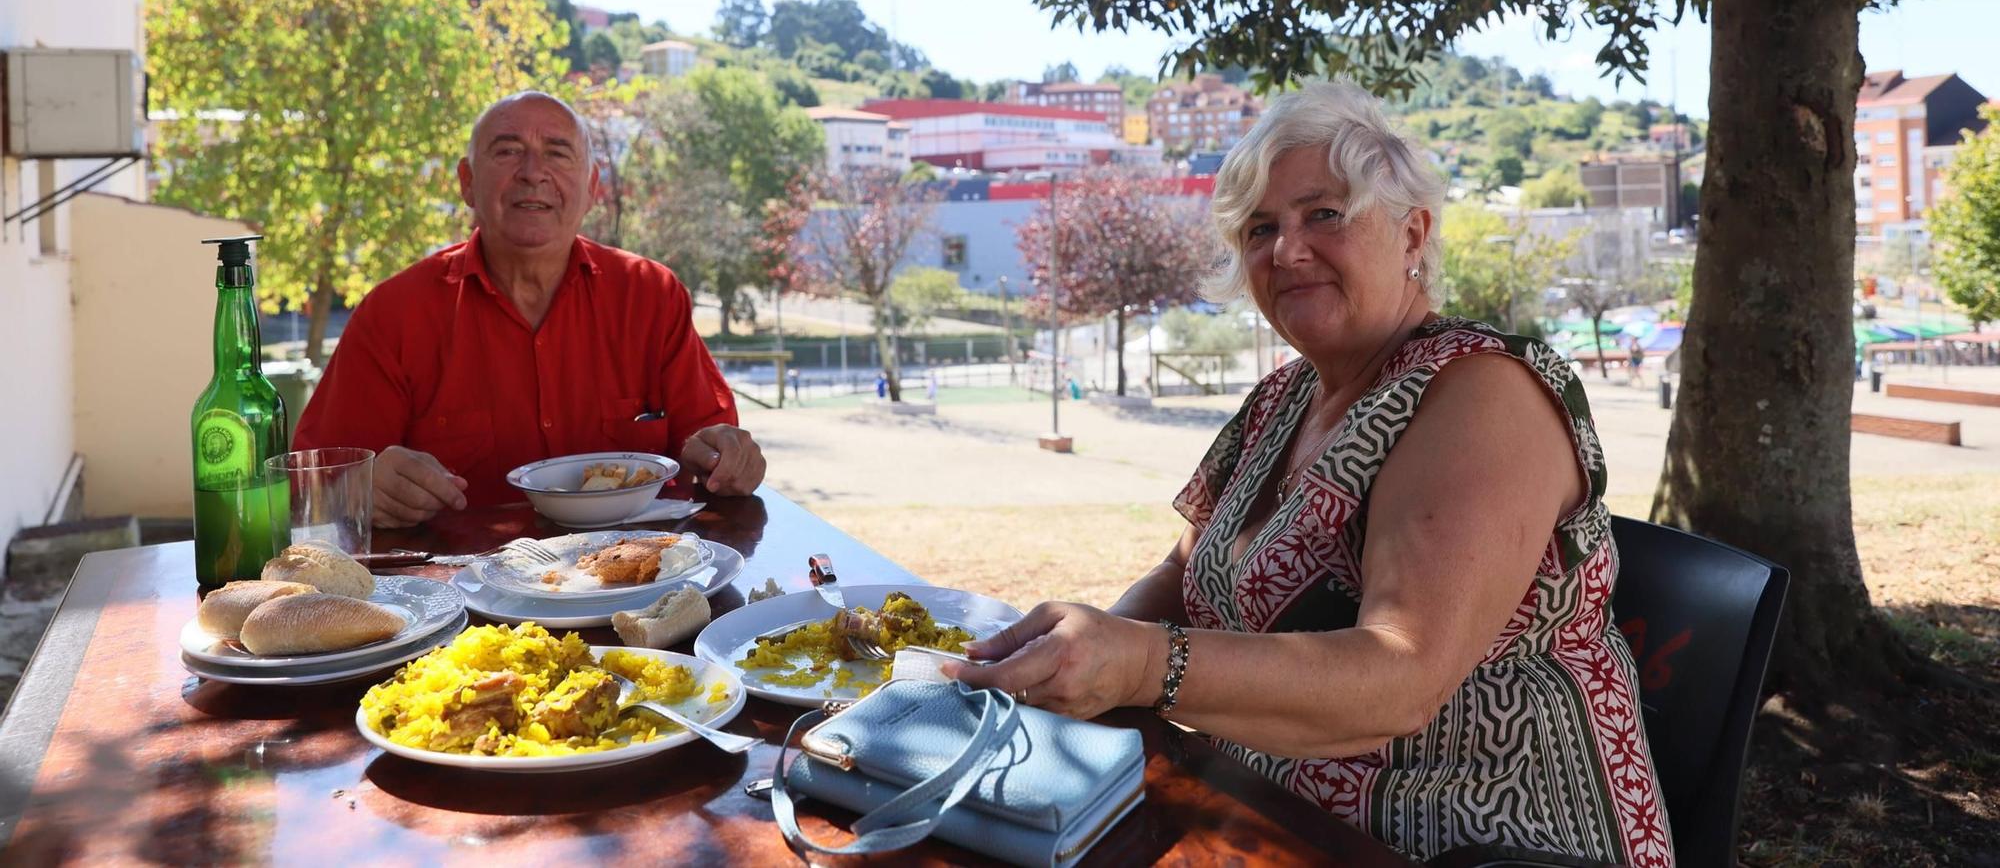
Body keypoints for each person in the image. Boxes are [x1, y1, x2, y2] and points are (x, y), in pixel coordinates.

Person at [946, 81, 1672, 867]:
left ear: (1412, 232)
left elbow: (1402, 675)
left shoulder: (1485, 390)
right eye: (1261, 228)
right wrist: (1080, 654)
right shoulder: (1280, 398)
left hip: (1489, 840)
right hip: (1261, 815)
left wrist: (1142, 664)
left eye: (1323, 214)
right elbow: (1185, 573)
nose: (1286, 251)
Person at [294, 91, 766, 527]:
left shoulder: (652, 296)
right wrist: (356, 489)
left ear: (591, 187)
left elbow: (710, 447)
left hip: (638, 575)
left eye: (557, 153)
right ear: (467, 182)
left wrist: (728, 456)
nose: (533, 172)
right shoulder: (394, 314)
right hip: (457, 587)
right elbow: (307, 487)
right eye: (507, 151)